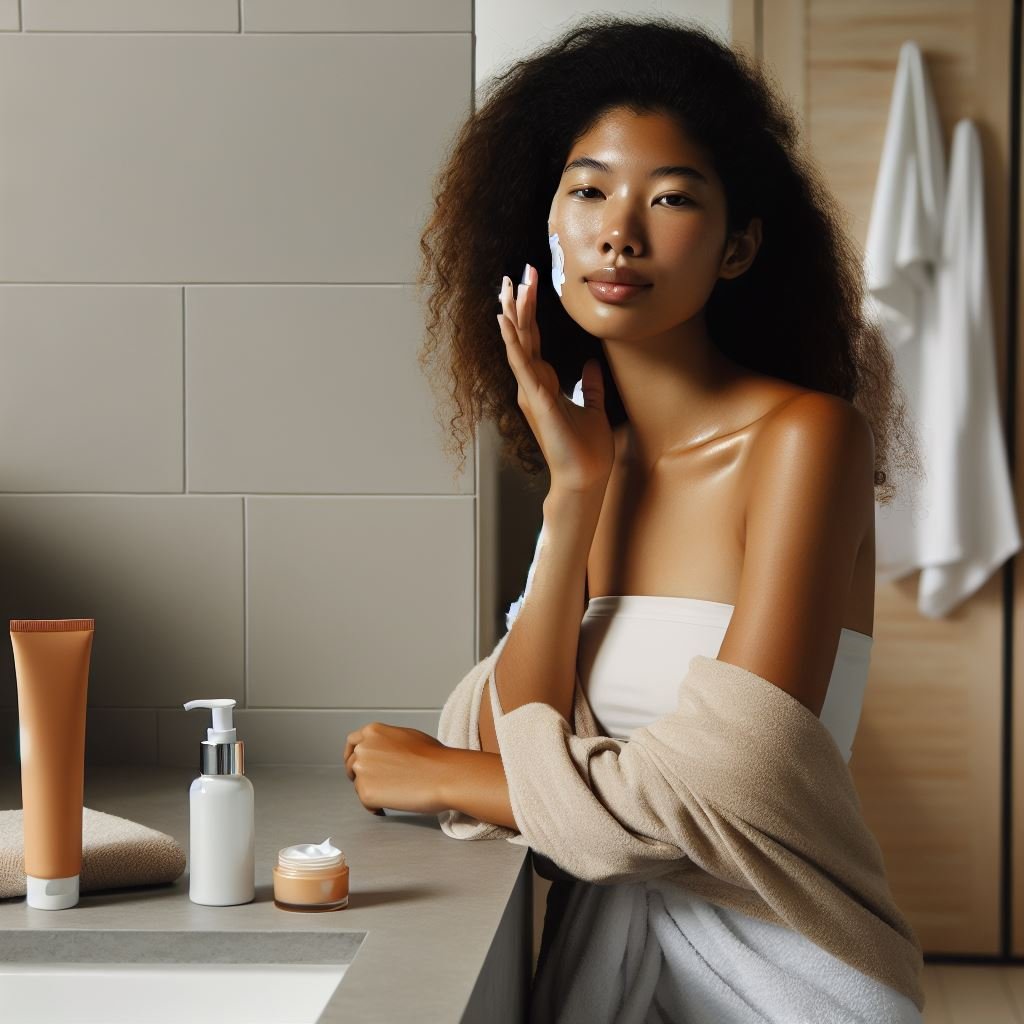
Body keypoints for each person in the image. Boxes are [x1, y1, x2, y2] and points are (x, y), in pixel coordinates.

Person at [345, 12, 924, 1022]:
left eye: (670, 198)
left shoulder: (806, 441)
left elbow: (714, 799)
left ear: (738, 244)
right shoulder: (591, 460)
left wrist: (450, 780)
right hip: (611, 976)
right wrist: (573, 499)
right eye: (588, 190)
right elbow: (501, 724)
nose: (620, 228)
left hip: (788, 979)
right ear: (548, 228)